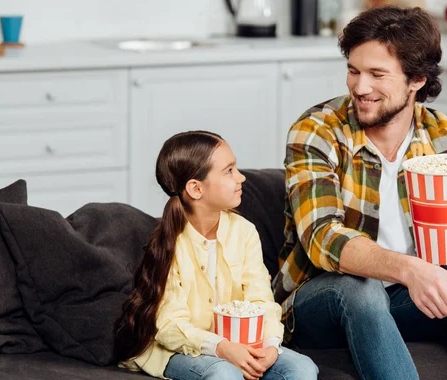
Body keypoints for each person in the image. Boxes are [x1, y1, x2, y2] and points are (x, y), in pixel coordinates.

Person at [272, 6, 447, 380]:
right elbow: (322, 238)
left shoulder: (440, 134)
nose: (359, 87)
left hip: (407, 303)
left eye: (377, 74)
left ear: (416, 79)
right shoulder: (318, 131)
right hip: (323, 304)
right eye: (353, 70)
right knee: (361, 290)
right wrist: (411, 270)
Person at [114, 131, 318, 380]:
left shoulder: (244, 232)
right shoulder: (171, 243)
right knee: (223, 373)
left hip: (239, 345)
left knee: (302, 368)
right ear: (196, 188)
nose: (241, 177)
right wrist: (222, 348)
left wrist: (271, 345)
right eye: (229, 170)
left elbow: (262, 301)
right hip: (179, 349)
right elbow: (169, 327)